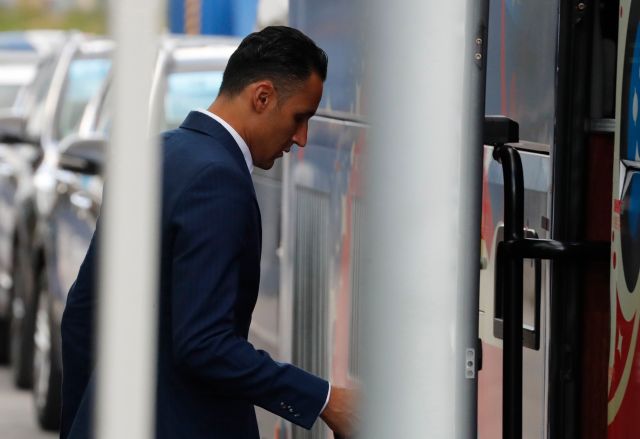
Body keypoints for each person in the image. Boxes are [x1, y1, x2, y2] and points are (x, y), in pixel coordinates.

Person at [60, 26, 357, 439]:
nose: (301, 138)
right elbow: (204, 345)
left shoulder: (153, 154)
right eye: (299, 117)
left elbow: (82, 315)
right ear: (263, 97)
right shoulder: (218, 180)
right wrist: (324, 400)